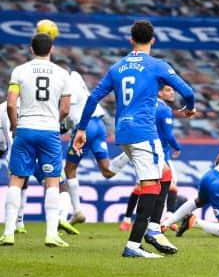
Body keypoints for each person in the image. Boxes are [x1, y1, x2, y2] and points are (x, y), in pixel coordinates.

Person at [72, 20, 196, 258]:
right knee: (151, 186)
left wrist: (81, 129)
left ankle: (152, 227)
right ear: (153, 40)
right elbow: (188, 92)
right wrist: (189, 107)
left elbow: (92, 98)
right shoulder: (157, 65)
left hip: (123, 133)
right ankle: (135, 244)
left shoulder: (116, 67)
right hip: (143, 132)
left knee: (165, 174)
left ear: (131, 40)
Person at [0, 33, 71, 247]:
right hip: (49, 131)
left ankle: (9, 232)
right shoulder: (62, 74)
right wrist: (53, 121)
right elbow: (66, 109)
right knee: (52, 182)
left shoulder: (20, 71)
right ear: (52, 49)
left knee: (17, 179)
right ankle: (51, 234)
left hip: (25, 128)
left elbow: (11, 104)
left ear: (31, 49)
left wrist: (14, 124)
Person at [58, 62, 117, 226]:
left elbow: (68, 111)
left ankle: (77, 211)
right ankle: (129, 155)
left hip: (84, 128)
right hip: (99, 125)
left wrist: (60, 127)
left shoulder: (65, 86)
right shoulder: (75, 75)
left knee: (69, 169)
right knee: (107, 170)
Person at [118, 85, 183, 232]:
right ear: (159, 92)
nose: (171, 92)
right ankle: (167, 219)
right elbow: (168, 134)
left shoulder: (145, 105)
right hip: (160, 151)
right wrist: (177, 147)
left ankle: (127, 220)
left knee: (141, 187)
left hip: (142, 148)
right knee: (171, 185)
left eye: (172, 90)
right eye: (167, 90)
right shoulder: (164, 109)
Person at [0, 100, 27, 234]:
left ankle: (17, 221)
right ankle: (16, 222)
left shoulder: (4, 106)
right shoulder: (29, 103)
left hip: (11, 148)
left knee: (17, 184)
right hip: (21, 149)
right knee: (20, 184)